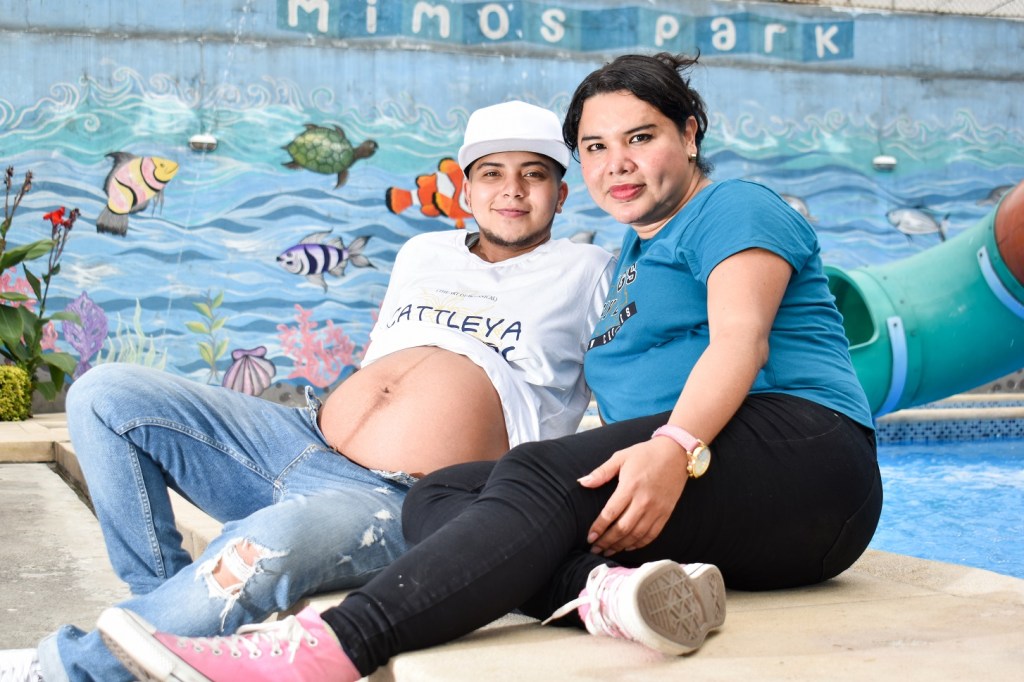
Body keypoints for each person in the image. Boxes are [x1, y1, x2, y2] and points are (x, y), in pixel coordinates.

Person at [96, 52, 883, 682]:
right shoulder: (632, 258)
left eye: (641, 137)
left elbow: (739, 342)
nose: (619, 163)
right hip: (728, 497)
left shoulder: (730, 207)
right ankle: (600, 596)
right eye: (596, 147)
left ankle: (331, 648)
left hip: (806, 457)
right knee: (442, 495)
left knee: (530, 472)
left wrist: (674, 446)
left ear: (689, 132)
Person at [0, 100, 614, 682]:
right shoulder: (423, 252)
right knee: (104, 393)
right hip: (298, 434)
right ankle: (160, 614)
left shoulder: (590, 273)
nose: (512, 189)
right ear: (465, 190)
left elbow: (635, 378)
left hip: (404, 497)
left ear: (561, 195)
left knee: (263, 548)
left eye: (534, 174)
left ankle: (74, 668)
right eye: (492, 173)